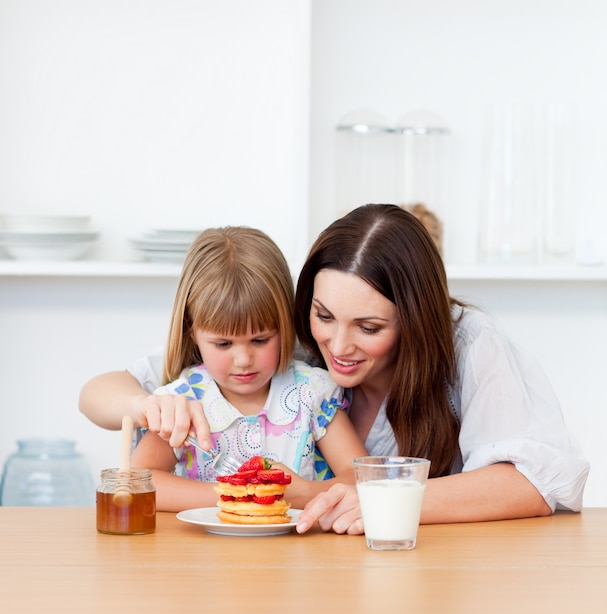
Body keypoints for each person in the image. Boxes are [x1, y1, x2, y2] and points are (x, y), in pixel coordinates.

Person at [79, 205, 589, 532]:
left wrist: (381, 502)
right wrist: (143, 406)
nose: (337, 346)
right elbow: (109, 395)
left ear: (415, 320)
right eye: (323, 316)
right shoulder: (282, 343)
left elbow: (532, 483)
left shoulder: (469, 345)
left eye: (369, 328)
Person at [126, 226, 367, 512]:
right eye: (223, 343)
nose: (243, 360)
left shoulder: (312, 393)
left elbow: (361, 479)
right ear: (193, 332)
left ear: (285, 327)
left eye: (260, 340)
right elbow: (138, 481)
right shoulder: (182, 402)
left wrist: (296, 494)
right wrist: (237, 495)